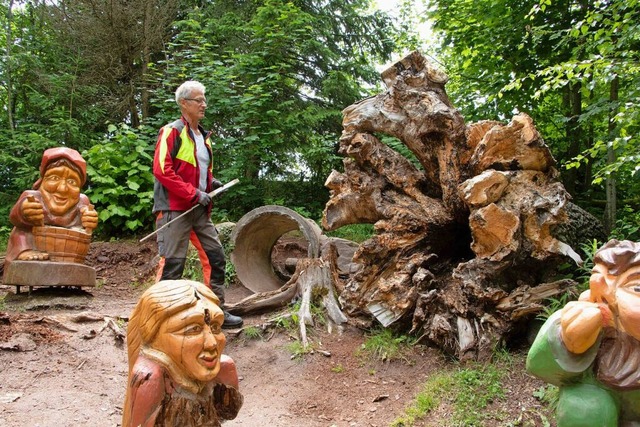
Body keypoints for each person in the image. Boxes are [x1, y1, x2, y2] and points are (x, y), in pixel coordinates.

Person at [152, 80, 242, 328]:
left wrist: (210, 183)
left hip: (200, 210)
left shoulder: (204, 137)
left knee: (216, 258)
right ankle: (159, 319)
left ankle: (215, 313)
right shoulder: (171, 132)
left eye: (204, 99)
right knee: (173, 264)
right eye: (198, 100)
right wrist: (193, 192)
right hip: (175, 209)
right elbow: (162, 170)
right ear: (184, 103)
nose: (204, 104)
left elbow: (199, 170)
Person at [526, 239, 640, 426]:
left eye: (636, 287)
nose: (602, 297)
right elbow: (537, 365)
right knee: (585, 405)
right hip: (604, 406)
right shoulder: (594, 330)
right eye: (595, 280)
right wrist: (566, 340)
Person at [122, 279, 243, 426]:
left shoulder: (222, 368)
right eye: (193, 330)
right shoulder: (151, 376)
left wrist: (226, 388)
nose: (212, 343)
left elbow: (228, 413)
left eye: (215, 327)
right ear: (153, 335)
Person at [4, 147, 98, 263]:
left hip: (66, 251)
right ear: (42, 181)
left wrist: (89, 219)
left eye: (72, 182)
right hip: (33, 244)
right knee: (22, 230)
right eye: (54, 178)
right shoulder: (32, 197)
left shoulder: (82, 201)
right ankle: (24, 251)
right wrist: (24, 211)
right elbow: (15, 217)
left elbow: (86, 218)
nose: (62, 189)